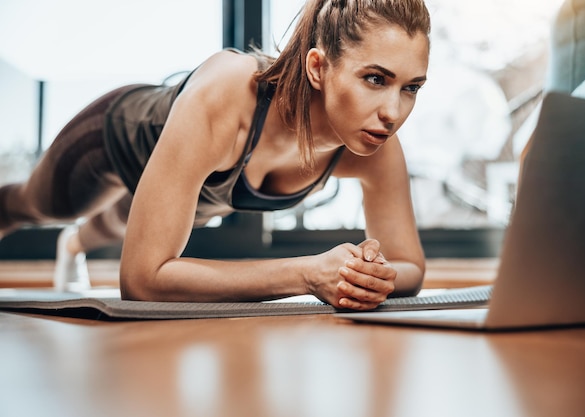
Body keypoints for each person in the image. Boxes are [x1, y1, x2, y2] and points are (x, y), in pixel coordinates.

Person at [0, 0, 430, 310]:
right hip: (113, 142)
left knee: (114, 224)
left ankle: (72, 245)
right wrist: (307, 273)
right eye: (375, 78)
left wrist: (369, 277)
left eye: (411, 87)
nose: (393, 112)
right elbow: (141, 281)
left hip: (194, 193)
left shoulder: (375, 142)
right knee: (35, 206)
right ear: (318, 67)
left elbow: (409, 265)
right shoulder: (229, 90)